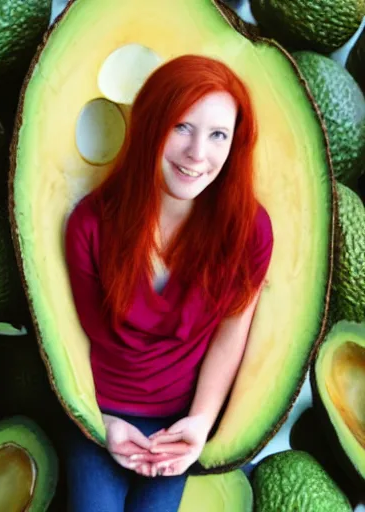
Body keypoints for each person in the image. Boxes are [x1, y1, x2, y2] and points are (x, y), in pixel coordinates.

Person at [63, 54, 274, 511]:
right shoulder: (88, 226)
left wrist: (199, 423)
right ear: (150, 127)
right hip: (100, 415)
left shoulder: (250, 232)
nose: (199, 153)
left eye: (218, 134)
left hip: (178, 423)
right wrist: (101, 423)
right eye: (181, 127)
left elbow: (230, 336)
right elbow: (71, 340)